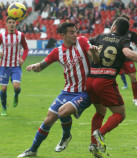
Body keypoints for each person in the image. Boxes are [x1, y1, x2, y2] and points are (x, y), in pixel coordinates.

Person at [17, 22, 100, 158]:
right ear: (63, 35)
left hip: (85, 91)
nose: (75, 34)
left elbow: (95, 59)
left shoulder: (82, 41)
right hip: (67, 91)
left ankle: (66, 136)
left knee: (63, 112)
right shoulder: (57, 52)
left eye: (75, 31)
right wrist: (34, 66)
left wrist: (95, 54)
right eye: (71, 32)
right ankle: (32, 150)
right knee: (48, 120)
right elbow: (42, 65)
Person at [87, 17, 137, 157]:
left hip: (90, 79)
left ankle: (93, 144)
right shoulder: (124, 40)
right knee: (120, 114)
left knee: (100, 112)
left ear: (114, 27)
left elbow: (84, 44)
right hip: (105, 80)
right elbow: (128, 54)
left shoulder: (100, 37)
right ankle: (100, 133)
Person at [0, 17, 29, 115]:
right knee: (3, 88)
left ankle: (16, 95)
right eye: (9, 23)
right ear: (6, 24)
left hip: (16, 65)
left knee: (16, 87)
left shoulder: (21, 35)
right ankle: (4, 108)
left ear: (15, 24)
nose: (11, 24)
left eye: (13, 22)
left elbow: (26, 49)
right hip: (4, 66)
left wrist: (23, 59)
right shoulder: (1, 36)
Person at [119, 14, 137, 106]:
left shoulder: (132, 34)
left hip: (128, 58)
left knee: (133, 77)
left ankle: (135, 98)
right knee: (110, 78)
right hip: (117, 58)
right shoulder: (115, 33)